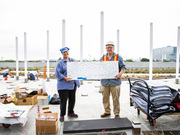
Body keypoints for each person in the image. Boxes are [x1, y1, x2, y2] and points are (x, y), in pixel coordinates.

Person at [100, 41, 126, 118]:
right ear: (106, 49)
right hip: (105, 82)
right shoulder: (103, 58)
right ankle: (107, 111)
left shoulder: (118, 57)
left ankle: (116, 113)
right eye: (107, 47)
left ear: (113, 48)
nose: (109, 49)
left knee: (116, 99)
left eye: (110, 47)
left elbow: (123, 68)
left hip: (115, 82)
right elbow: (99, 68)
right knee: (105, 98)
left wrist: (120, 74)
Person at [55, 47, 80, 122]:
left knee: (72, 99)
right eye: (64, 52)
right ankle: (62, 115)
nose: (66, 53)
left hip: (72, 84)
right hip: (64, 85)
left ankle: (70, 112)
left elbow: (78, 69)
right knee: (63, 101)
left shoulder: (73, 61)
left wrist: (77, 65)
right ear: (62, 54)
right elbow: (57, 73)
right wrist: (65, 78)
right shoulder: (60, 63)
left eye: (66, 52)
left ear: (68, 52)